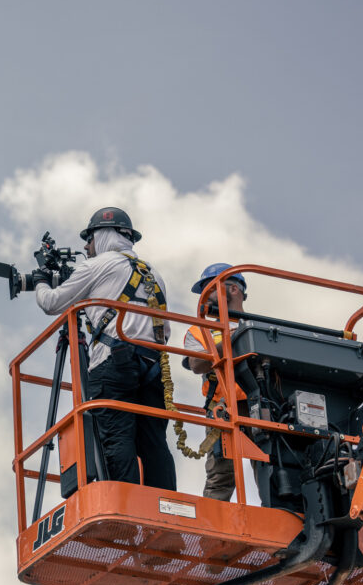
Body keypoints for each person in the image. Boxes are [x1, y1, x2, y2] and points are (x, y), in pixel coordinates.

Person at [32, 207, 177, 491]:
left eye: (89, 239)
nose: (87, 247)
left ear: (103, 235)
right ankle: (164, 503)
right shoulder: (153, 273)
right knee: (154, 442)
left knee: (116, 436)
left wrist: (40, 280)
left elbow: (51, 302)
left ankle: (125, 505)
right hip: (154, 366)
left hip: (114, 362)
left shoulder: (97, 266)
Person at [183, 264, 248, 501]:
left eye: (209, 289)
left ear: (233, 289)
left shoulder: (258, 327)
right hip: (223, 409)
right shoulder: (200, 330)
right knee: (220, 476)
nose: (203, 298)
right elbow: (197, 364)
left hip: (260, 405)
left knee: (273, 467)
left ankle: (281, 517)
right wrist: (236, 340)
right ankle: (213, 521)